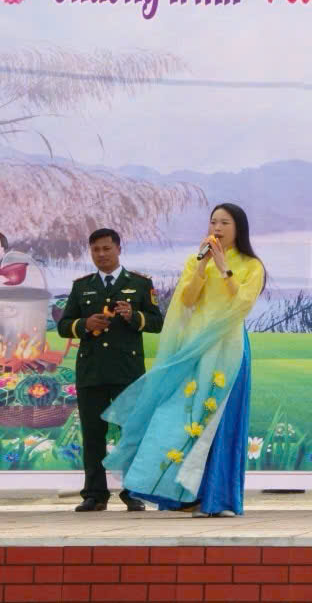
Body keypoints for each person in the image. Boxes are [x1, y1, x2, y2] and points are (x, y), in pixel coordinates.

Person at [104, 204, 265, 517]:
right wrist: (203, 267)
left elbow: (243, 303)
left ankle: (219, 499)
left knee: (218, 421)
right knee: (182, 416)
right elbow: (187, 300)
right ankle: (182, 496)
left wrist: (224, 268)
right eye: (213, 222)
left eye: (225, 222)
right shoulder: (196, 260)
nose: (217, 228)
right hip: (195, 346)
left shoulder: (251, 265)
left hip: (228, 348)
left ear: (238, 228)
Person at [57, 228, 164, 512]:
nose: (101, 255)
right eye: (96, 250)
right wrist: (85, 325)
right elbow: (63, 326)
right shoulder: (82, 286)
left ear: (118, 249)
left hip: (127, 371)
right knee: (93, 434)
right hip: (91, 371)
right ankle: (95, 494)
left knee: (131, 432)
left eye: (106, 249)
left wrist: (133, 316)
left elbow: (157, 322)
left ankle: (133, 492)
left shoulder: (139, 283)